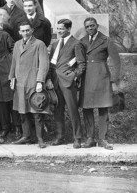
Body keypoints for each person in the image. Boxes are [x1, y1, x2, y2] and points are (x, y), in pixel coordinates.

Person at [79, 17, 121, 150]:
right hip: (86, 77)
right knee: (87, 108)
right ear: (85, 28)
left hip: (102, 76)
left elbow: (115, 61)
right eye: (87, 27)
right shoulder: (81, 42)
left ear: (97, 25)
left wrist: (114, 80)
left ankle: (103, 139)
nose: (90, 28)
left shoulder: (106, 40)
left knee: (103, 109)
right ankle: (90, 138)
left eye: (92, 26)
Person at [10, 22, 50, 149]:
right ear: (19, 32)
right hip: (20, 83)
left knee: (37, 111)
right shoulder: (17, 44)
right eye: (23, 31)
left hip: (33, 82)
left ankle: (40, 139)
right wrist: (12, 78)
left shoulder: (39, 44)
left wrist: (40, 81)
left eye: (27, 30)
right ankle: (26, 136)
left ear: (32, 30)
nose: (25, 33)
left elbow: (44, 64)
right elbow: (14, 62)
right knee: (22, 111)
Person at [47, 19, 85, 148]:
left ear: (69, 29)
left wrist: (73, 76)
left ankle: (77, 138)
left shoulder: (76, 43)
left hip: (68, 82)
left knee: (73, 110)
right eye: (57, 29)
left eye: (61, 29)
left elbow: (81, 65)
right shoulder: (54, 44)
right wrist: (48, 79)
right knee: (58, 111)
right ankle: (59, 137)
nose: (59, 31)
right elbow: (51, 64)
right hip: (55, 82)